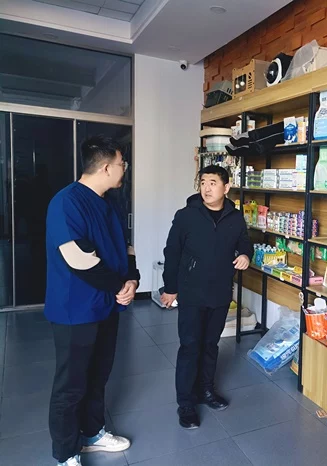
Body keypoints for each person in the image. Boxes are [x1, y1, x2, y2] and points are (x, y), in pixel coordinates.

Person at [45, 135, 140, 466]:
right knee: (71, 385)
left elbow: (126, 245)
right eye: (122, 164)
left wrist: (132, 278)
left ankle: (92, 433)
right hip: (76, 310)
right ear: (106, 167)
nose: (124, 169)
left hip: (106, 305)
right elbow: (78, 258)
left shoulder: (111, 202)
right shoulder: (66, 202)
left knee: (99, 374)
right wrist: (118, 285)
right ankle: (66, 453)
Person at [161, 165, 252, 429]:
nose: (206, 188)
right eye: (203, 182)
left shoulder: (235, 217)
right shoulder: (186, 216)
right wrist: (170, 288)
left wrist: (246, 255)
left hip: (220, 292)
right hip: (191, 291)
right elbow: (172, 252)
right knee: (190, 346)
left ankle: (206, 390)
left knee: (211, 345)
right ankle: (186, 403)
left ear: (226, 187)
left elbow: (244, 243)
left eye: (213, 182)